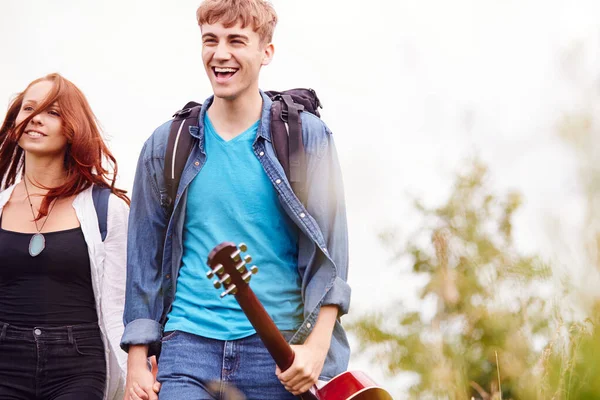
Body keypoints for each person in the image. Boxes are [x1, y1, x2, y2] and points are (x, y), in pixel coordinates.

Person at [121, 0, 350, 399]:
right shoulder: (166, 145)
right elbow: (145, 260)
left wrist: (316, 349)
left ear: (266, 52)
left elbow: (332, 254)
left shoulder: (306, 137)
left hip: (280, 353)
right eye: (210, 40)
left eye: (236, 40)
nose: (220, 53)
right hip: (187, 350)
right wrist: (137, 360)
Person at [0, 73, 129, 400]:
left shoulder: (106, 209)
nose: (36, 118)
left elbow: (123, 303)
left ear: (73, 127)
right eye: (29, 108)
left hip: (79, 364)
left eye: (52, 112)